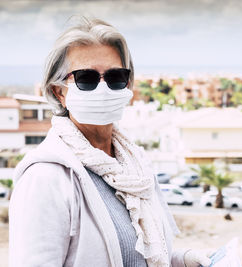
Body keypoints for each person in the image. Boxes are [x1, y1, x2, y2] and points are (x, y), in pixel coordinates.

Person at [9, 17, 212, 267]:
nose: (103, 88)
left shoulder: (135, 166)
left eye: (116, 77)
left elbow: (140, 255)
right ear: (58, 92)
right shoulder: (46, 178)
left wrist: (184, 261)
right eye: (86, 78)